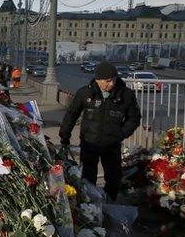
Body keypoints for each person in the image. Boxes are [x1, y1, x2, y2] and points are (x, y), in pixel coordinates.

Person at [59, 61, 141, 201]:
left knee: (114, 178)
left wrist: (121, 134)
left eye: (114, 80)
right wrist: (64, 135)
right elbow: (71, 114)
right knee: (88, 178)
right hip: (89, 143)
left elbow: (134, 118)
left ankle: (109, 202)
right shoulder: (85, 93)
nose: (112, 84)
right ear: (98, 80)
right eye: (108, 81)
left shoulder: (126, 95)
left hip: (112, 145)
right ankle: (89, 204)